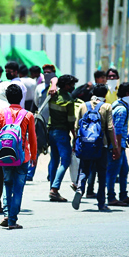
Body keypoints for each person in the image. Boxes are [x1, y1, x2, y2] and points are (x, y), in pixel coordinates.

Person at [0, 83, 37, 230]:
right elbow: (33, 138)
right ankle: (12, 220)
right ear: (21, 97)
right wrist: (34, 156)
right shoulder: (28, 115)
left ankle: (6, 213)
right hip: (22, 156)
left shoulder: (0, 113)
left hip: (4, 155)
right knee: (18, 188)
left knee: (7, 183)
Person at [73, 84, 118, 211]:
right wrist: (114, 146)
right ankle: (101, 203)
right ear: (105, 94)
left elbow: (76, 126)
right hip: (100, 145)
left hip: (85, 143)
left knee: (84, 170)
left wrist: (75, 143)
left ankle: (80, 189)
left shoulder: (83, 105)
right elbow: (110, 128)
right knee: (102, 173)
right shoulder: (106, 106)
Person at [46, 74, 78, 202]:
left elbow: (53, 78)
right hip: (62, 134)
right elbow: (71, 122)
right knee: (65, 161)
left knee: (54, 160)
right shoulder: (69, 100)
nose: (73, 87)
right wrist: (75, 136)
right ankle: (54, 189)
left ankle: (52, 189)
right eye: (71, 84)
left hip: (51, 131)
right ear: (66, 85)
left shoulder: (52, 93)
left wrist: (53, 85)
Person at [108, 82, 129, 207]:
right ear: (128, 94)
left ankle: (123, 195)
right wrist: (117, 148)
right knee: (113, 171)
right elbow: (118, 130)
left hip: (119, 145)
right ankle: (111, 197)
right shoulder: (122, 109)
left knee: (124, 169)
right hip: (116, 145)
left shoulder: (117, 104)